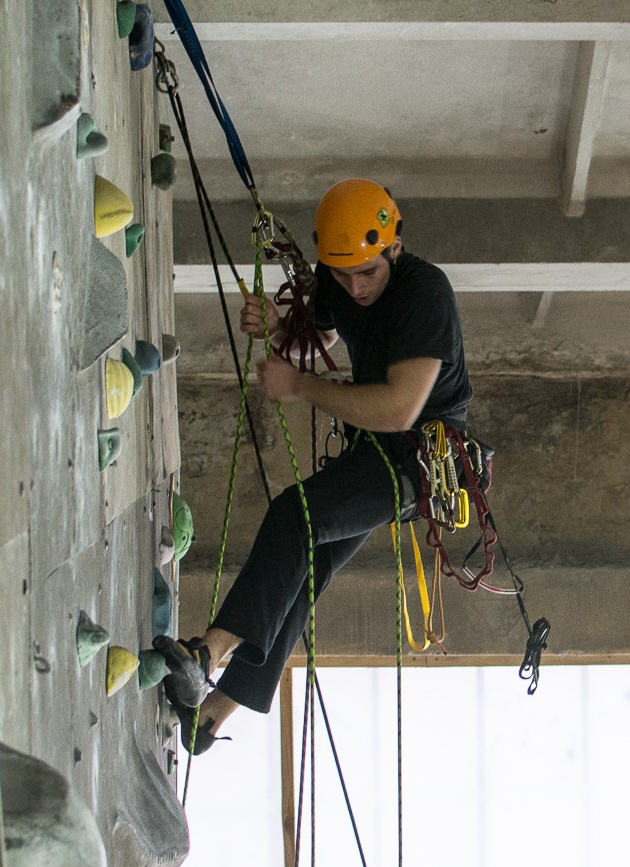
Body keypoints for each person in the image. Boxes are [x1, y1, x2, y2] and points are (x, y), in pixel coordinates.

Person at [154, 178, 473, 753]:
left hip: (417, 458)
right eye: (344, 274)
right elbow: (319, 335)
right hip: (370, 446)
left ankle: (210, 652)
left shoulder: (426, 294)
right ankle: (215, 713)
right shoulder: (337, 276)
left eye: (368, 273)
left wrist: (300, 386)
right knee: (306, 566)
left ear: (393, 248)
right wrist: (277, 332)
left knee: (294, 516)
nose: (355, 287)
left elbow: (400, 409)